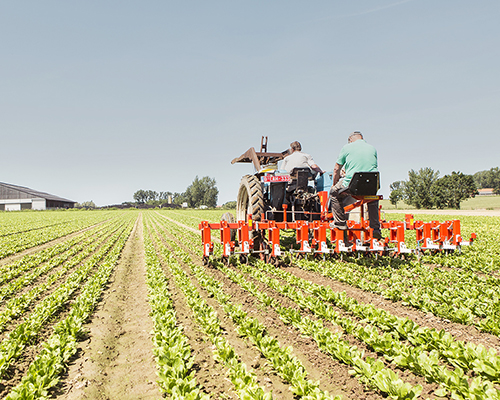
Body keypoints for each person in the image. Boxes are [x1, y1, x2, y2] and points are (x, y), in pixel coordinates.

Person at [329, 131, 382, 239]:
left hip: (353, 184)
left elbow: (336, 168)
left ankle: (340, 223)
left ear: (351, 140)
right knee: (372, 198)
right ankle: (375, 227)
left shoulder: (347, 148)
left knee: (334, 193)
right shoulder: (372, 148)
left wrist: (334, 184)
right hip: (372, 183)